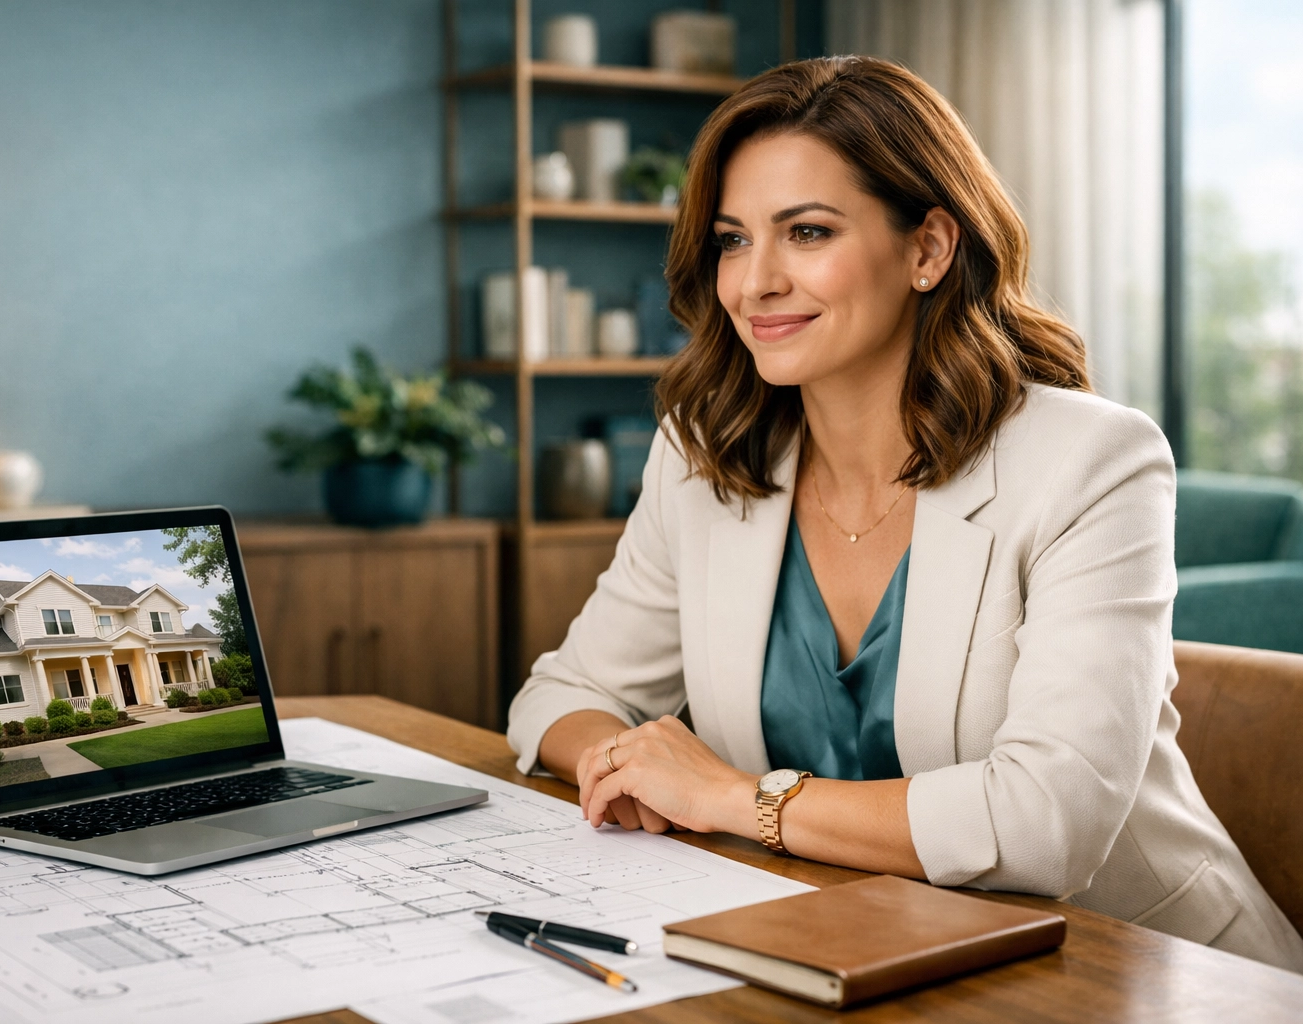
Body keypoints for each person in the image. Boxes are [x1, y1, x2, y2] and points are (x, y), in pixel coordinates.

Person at [506, 56, 1303, 972]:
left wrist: (733, 799)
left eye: (806, 232)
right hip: (859, 950)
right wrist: (634, 768)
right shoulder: (704, 455)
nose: (753, 282)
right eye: (732, 239)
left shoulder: (1091, 462)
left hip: (1138, 969)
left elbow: (1045, 825)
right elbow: (561, 699)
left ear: (928, 248)